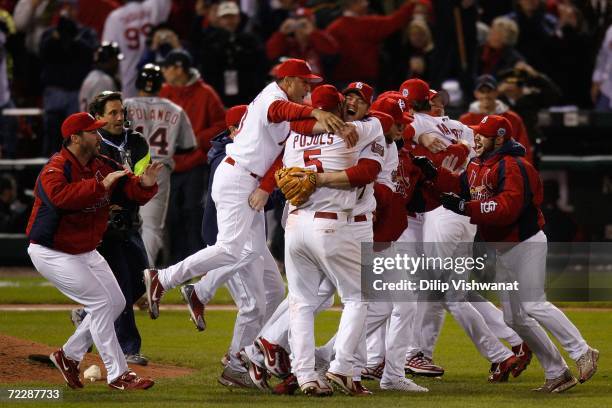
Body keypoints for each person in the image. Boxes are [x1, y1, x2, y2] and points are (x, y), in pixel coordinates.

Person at [143, 59, 345, 331]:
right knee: (230, 248)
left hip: (249, 180)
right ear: (287, 81)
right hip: (237, 176)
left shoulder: (290, 111)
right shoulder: (272, 96)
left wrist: (334, 126)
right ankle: (164, 279)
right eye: (304, 81)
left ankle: (241, 351)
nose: (308, 87)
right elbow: (280, 110)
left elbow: (295, 136)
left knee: (269, 280)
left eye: (310, 83)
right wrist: (316, 113)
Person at [430, 114, 600, 393]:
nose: (476, 138)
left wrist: (465, 208)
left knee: (533, 304)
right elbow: (460, 188)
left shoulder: (514, 166)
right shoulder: (476, 163)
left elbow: (506, 208)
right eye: (476, 133)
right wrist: (433, 176)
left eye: (482, 134)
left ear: (499, 138)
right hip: (502, 249)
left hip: (525, 243)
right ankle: (557, 372)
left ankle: (582, 351)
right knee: (515, 319)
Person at [26, 111, 161, 390]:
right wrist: (100, 186)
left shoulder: (101, 163)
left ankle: (68, 355)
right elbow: (61, 199)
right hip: (52, 251)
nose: (98, 136)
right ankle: (118, 374)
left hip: (85, 249)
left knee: (115, 302)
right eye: (92, 132)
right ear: (75, 138)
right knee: (101, 303)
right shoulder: (56, 167)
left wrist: (145, 186)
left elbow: (126, 188)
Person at [182, 105, 285, 389]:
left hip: (252, 237)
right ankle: (235, 363)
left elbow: (258, 201)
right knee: (253, 305)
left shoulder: (253, 152)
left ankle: (252, 354)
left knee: (276, 291)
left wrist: (276, 189)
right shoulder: (227, 156)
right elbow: (252, 199)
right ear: (233, 130)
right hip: (229, 240)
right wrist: (279, 191)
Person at [73, 91, 152, 366]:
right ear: (98, 118)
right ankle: (129, 347)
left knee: (141, 281)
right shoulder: (94, 143)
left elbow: (139, 178)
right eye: (113, 113)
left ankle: (88, 314)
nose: (120, 118)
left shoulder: (137, 141)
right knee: (119, 284)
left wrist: (133, 190)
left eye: (122, 112)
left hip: (130, 220)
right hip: (105, 225)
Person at [124, 64, 197, 267]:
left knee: (121, 222)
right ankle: (143, 274)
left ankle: (124, 272)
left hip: (127, 166)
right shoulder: (175, 109)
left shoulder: (124, 106)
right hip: (158, 168)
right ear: (159, 84)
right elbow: (187, 147)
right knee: (152, 227)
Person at [159, 49, 226, 261]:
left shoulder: (206, 93)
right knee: (170, 215)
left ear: (178, 68)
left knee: (193, 211)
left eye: (166, 67)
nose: (163, 71)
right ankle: (175, 261)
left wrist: (197, 138)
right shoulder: (164, 93)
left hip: (195, 164)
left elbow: (221, 125)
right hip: (168, 164)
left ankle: (197, 259)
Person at [39, 2, 98, 156]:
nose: (68, 11)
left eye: (72, 8)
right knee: (51, 135)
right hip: (54, 91)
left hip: (76, 92)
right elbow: (43, 52)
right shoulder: (50, 33)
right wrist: (58, 38)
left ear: (77, 11)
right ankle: (48, 173)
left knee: (76, 137)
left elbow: (91, 54)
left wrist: (74, 39)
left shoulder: (86, 33)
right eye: (65, 8)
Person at [326, 0, 419, 87]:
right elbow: (393, 22)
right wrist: (412, 4)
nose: (367, 3)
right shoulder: (367, 24)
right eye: (363, 1)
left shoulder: (333, 28)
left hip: (341, 81)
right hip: (365, 81)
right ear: (354, 4)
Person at [196, 1, 267, 106]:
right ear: (219, 20)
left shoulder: (250, 40)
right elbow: (207, 69)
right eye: (225, 17)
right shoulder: (210, 41)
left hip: (246, 93)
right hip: (219, 93)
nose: (229, 21)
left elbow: (260, 65)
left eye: (232, 17)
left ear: (238, 18)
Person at [102, 0, 171, 97]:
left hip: (129, 79)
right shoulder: (155, 5)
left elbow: (108, 52)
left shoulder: (115, 17)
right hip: (158, 77)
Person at [460, 74, 533, 164]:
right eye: (482, 91)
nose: (486, 95)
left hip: (506, 166)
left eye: (489, 91)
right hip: (475, 168)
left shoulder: (512, 118)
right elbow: (463, 150)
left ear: (496, 92)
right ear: (476, 94)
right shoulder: (465, 120)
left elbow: (524, 149)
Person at [266, 7, 339, 78]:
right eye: (297, 24)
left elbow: (332, 51)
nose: (300, 29)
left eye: (304, 24)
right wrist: (281, 33)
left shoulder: (320, 39)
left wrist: (312, 33)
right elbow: (271, 54)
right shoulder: (288, 43)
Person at [79, 41, 123, 112]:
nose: (117, 64)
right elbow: (104, 114)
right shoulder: (104, 81)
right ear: (109, 60)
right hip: (96, 122)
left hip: (88, 121)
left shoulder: (91, 76)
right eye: (116, 60)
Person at [592, 24, 612, 111]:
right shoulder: (611, 30)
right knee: (599, 121)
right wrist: (596, 81)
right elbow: (603, 57)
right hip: (607, 90)